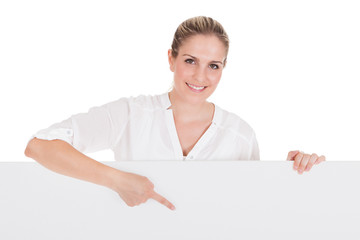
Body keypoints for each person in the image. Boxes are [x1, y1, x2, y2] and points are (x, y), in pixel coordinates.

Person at [24, 16, 325, 211]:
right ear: (171, 58)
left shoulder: (240, 134)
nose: (200, 76)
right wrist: (116, 179)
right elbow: (39, 146)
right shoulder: (131, 113)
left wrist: (291, 174)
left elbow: (252, 207)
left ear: (223, 69)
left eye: (213, 65)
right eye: (191, 60)